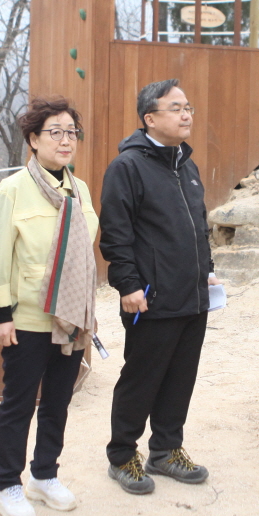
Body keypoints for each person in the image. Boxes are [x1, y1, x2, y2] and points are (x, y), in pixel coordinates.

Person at [0, 97, 99, 516]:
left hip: (70, 317)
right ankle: (6, 485)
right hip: (28, 316)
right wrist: (0, 315)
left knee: (58, 401)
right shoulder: (13, 189)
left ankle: (44, 474)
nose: (66, 140)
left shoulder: (79, 188)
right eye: (56, 132)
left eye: (72, 132)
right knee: (18, 403)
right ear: (33, 140)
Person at [99, 79, 218, 494]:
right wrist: (128, 285)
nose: (186, 115)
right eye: (176, 108)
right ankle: (122, 455)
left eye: (188, 107)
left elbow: (197, 227)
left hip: (193, 296)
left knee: (181, 377)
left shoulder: (187, 165)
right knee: (142, 378)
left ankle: (166, 450)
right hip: (149, 299)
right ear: (150, 118)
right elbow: (115, 235)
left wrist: (207, 269)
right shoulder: (127, 168)